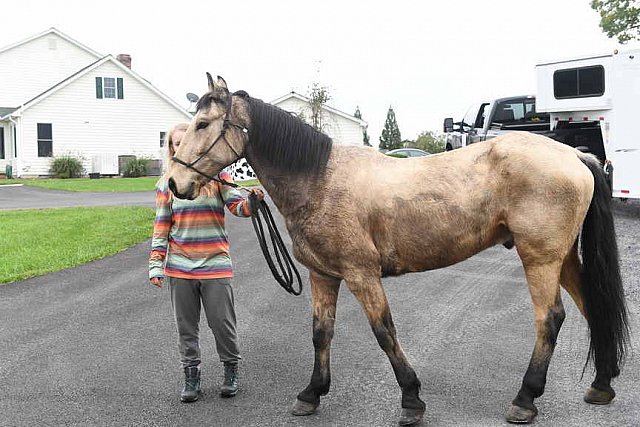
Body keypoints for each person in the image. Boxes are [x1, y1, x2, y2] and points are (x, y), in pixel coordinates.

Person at [149, 123, 264, 403]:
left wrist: (253, 201)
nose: (179, 147)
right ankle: (191, 378)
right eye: (175, 143)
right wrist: (156, 263)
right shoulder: (167, 184)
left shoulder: (216, 177)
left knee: (222, 324)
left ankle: (230, 371)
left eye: (183, 142)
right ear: (171, 149)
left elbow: (239, 208)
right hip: (180, 267)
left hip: (215, 266)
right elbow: (162, 226)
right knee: (186, 328)